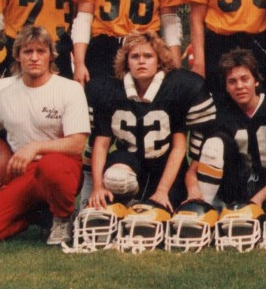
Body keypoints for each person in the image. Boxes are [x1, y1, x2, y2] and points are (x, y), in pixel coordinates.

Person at [0, 26, 89, 248]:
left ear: (51, 55)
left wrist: (35, 147)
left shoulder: (70, 89)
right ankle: (33, 216)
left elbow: (77, 144)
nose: (34, 57)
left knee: (51, 166)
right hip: (20, 170)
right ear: (17, 55)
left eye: (40, 51)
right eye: (28, 51)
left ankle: (63, 217)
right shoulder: (3, 89)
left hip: (60, 169)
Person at [86, 32, 215, 213]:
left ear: (159, 61)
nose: (141, 61)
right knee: (116, 178)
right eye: (135, 56)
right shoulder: (111, 91)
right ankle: (125, 203)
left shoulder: (175, 88)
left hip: (165, 165)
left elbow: (179, 147)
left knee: (165, 209)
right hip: (127, 162)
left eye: (148, 56)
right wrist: (98, 187)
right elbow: (101, 144)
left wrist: (162, 190)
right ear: (126, 62)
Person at [187, 48, 266, 209]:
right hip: (236, 189)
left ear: (256, 80)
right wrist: (194, 191)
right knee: (213, 146)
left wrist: (256, 201)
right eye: (232, 81)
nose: (239, 86)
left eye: (245, 79)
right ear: (226, 87)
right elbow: (193, 170)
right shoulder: (219, 111)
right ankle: (204, 207)